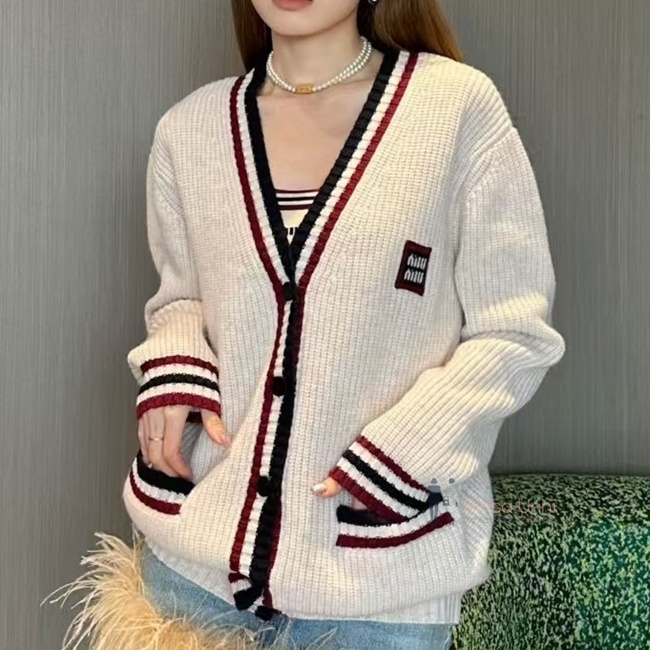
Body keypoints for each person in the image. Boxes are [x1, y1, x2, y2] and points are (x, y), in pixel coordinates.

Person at [60, 1, 566, 649]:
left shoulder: (455, 110)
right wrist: (174, 368)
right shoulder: (190, 131)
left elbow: (514, 332)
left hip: (378, 577)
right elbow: (182, 298)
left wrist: (404, 453)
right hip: (193, 568)